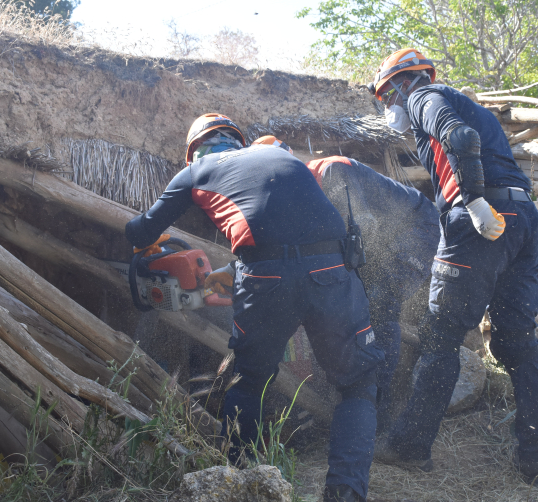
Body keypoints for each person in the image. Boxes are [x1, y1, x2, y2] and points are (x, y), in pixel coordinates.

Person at [126, 115, 384, 502]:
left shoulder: (197, 170)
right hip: (334, 268)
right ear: (237, 141)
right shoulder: (279, 155)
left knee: (249, 382)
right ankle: (345, 494)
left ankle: (242, 484)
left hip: (265, 278)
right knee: (358, 383)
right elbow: (293, 227)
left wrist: (147, 244)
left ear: (194, 150)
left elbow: (141, 230)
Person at [367, 48, 538, 487]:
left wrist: (471, 200)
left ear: (400, 83)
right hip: (523, 219)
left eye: (385, 97)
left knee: (441, 338)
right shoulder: (469, 104)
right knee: (518, 344)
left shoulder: (422, 96)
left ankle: (410, 447)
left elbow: (460, 138)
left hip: (480, 221)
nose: (388, 106)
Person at [304, 155, 440, 433]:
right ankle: (361, 402)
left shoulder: (330, 171)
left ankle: (379, 413)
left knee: (380, 304)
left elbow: (364, 227)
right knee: (363, 304)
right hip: (388, 241)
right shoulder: (313, 186)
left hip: (418, 229)